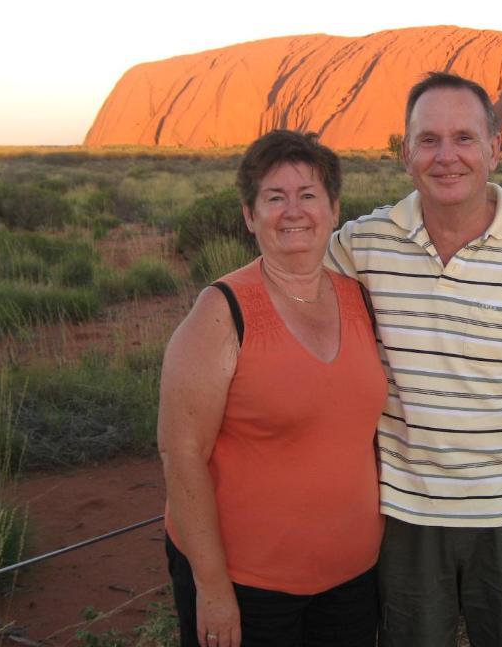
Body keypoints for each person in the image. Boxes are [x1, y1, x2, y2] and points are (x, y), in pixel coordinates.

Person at [327, 72, 502, 646]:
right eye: (428, 140)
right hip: (405, 516)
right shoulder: (361, 245)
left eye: (464, 138)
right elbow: (288, 273)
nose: (446, 156)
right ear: (405, 154)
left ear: (495, 150)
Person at [158, 130, 387, 647]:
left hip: (352, 580)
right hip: (248, 585)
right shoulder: (221, 312)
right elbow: (181, 452)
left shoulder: (361, 301)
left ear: (333, 209)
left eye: (308, 195)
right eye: (274, 198)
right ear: (249, 215)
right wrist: (212, 588)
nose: (293, 211)